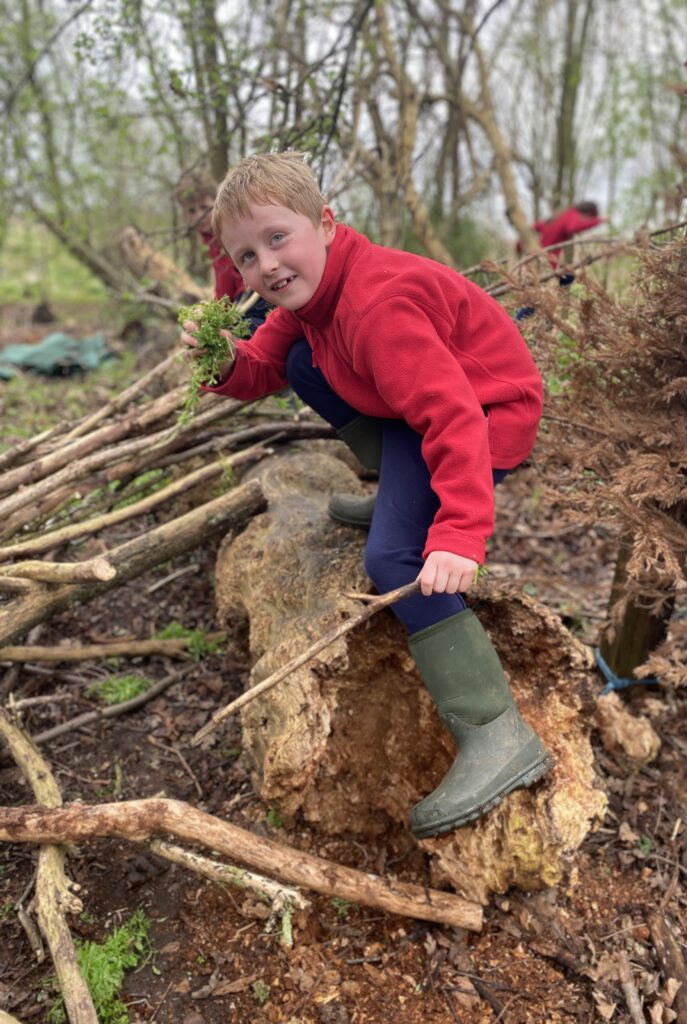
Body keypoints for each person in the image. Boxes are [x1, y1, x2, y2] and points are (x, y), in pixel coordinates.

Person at [181, 151, 552, 839]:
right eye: (246, 257)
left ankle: (498, 732)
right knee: (299, 360)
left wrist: (459, 534)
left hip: (486, 414)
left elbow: (454, 418)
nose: (265, 265)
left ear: (325, 223)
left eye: (276, 238)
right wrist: (220, 359)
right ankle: (398, 496)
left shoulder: (377, 307)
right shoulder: (309, 295)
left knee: (393, 561)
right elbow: (264, 366)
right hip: (420, 415)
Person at [174, 168, 269, 335]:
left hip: (256, 294)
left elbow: (231, 279)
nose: (199, 216)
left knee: (241, 330)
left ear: (216, 203)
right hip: (242, 299)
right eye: (191, 211)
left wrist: (220, 310)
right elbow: (222, 279)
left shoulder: (226, 230)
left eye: (205, 207)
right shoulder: (208, 236)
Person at [515, 200, 606, 320]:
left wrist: (519, 246)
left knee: (568, 278)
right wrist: (599, 221)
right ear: (587, 214)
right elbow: (572, 228)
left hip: (538, 263)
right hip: (545, 265)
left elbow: (534, 227)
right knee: (536, 300)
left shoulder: (558, 217)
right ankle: (517, 322)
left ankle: (548, 310)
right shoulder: (572, 215)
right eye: (588, 218)